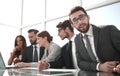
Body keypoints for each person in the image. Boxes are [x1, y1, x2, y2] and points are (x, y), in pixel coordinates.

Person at [69, 6, 120, 73]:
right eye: (75, 20)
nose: (80, 22)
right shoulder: (77, 40)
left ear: (88, 17)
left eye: (81, 17)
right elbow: (80, 63)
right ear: (73, 25)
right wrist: (99, 66)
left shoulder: (108, 30)